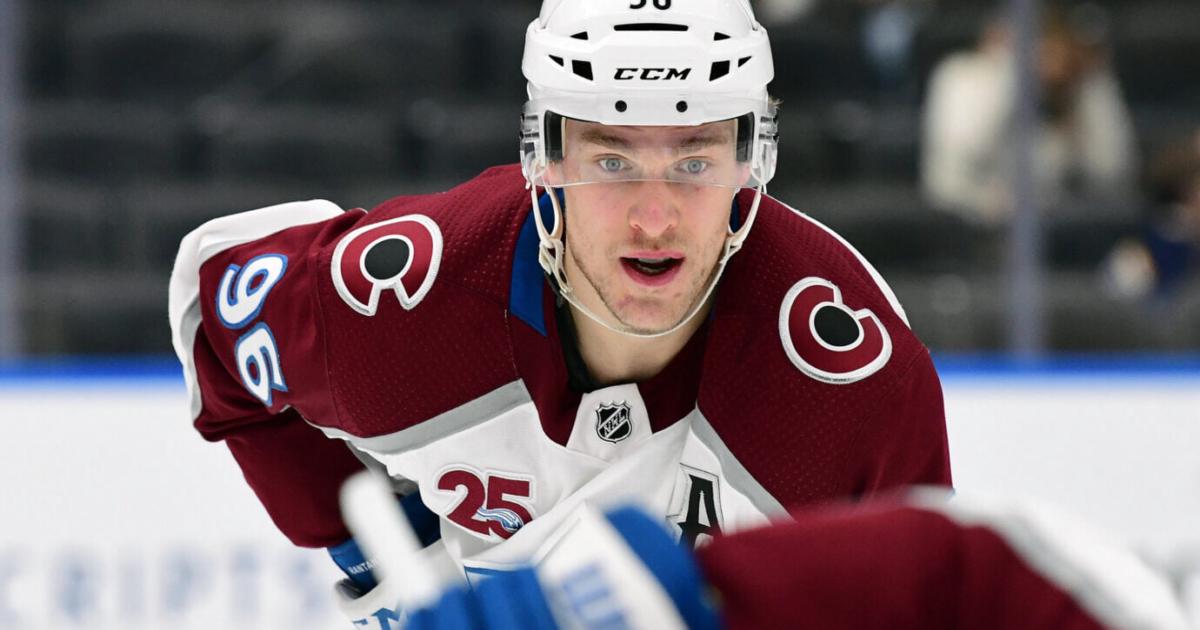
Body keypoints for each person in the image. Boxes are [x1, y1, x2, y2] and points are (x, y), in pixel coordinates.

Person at [167, 0, 951, 625]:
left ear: (752, 162)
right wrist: (382, 562)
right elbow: (219, 306)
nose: (655, 218)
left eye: (694, 160)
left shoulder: (858, 391)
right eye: (611, 160)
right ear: (543, 158)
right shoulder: (407, 300)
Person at [921, 4, 1136, 224]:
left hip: (1055, 228)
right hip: (963, 223)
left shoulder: (1076, 90)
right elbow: (964, 155)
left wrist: (1091, 81)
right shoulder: (961, 74)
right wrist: (1015, 69)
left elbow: (1112, 172)